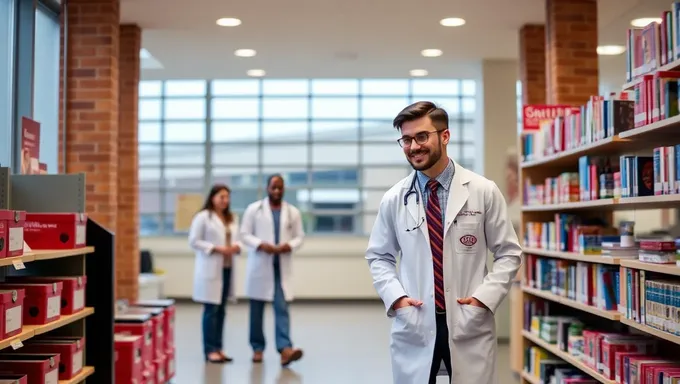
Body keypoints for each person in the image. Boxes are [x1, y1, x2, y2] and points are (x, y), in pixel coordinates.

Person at [365, 101, 523, 384]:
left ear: (444, 136)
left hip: (467, 317)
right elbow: (379, 256)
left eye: (422, 136)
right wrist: (397, 299)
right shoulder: (394, 198)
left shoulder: (483, 191)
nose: (413, 147)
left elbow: (509, 252)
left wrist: (483, 300)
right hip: (416, 317)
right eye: (406, 139)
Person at [240, 174, 305, 366]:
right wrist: (261, 244)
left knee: (282, 309)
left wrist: (289, 246)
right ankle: (257, 348)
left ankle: (285, 349)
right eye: (273, 187)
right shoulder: (254, 210)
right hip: (261, 265)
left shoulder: (292, 212)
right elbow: (244, 234)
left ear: (284, 189)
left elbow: (300, 236)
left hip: (281, 268)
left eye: (280, 188)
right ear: (267, 188)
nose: (277, 191)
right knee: (256, 311)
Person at [188, 184, 242, 364]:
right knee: (211, 310)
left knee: (222, 311)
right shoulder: (203, 217)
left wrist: (237, 247)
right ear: (212, 197)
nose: (225, 201)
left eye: (227, 197)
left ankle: (219, 348)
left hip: (227, 268)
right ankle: (210, 350)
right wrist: (215, 248)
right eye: (221, 197)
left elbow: (240, 239)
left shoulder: (232, 218)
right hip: (211, 267)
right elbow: (194, 241)